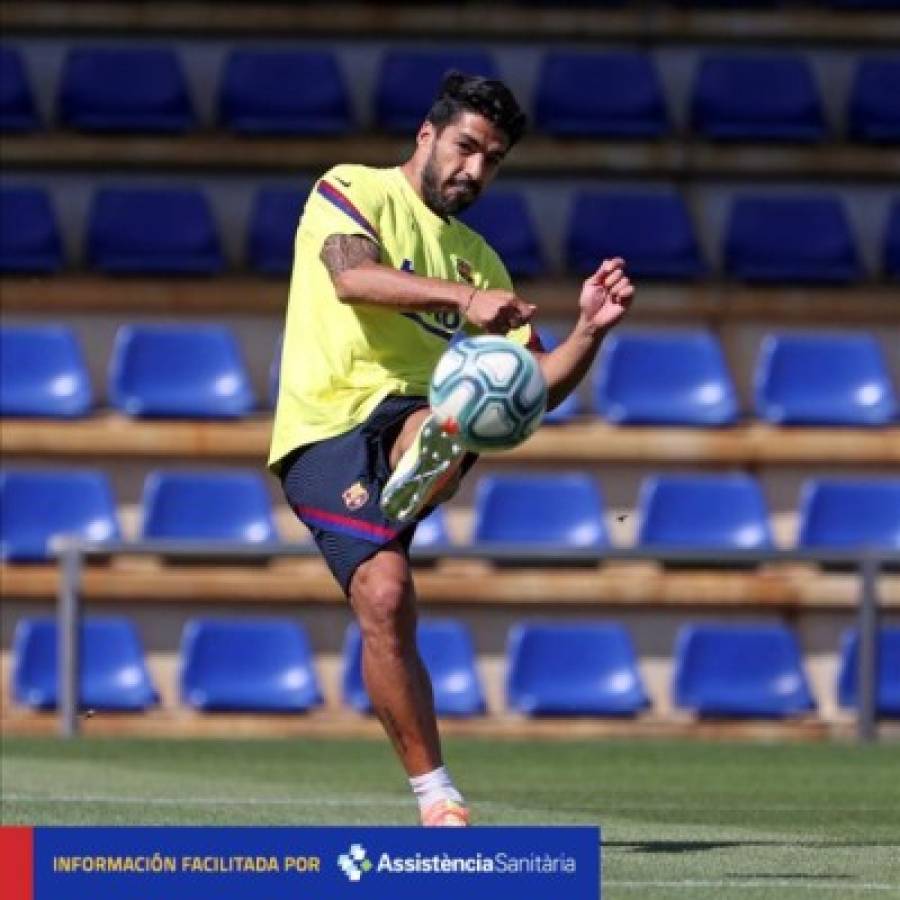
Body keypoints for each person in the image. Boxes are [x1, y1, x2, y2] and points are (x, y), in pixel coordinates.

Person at [269, 71, 635, 826]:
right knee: (386, 594)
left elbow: (534, 383)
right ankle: (430, 462)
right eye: (466, 146)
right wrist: (463, 302)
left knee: (469, 405)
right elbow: (351, 278)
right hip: (326, 427)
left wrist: (590, 331)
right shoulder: (351, 188)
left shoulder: (481, 261)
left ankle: (427, 454)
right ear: (428, 134)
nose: (475, 169)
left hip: (420, 407)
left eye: (492, 159)